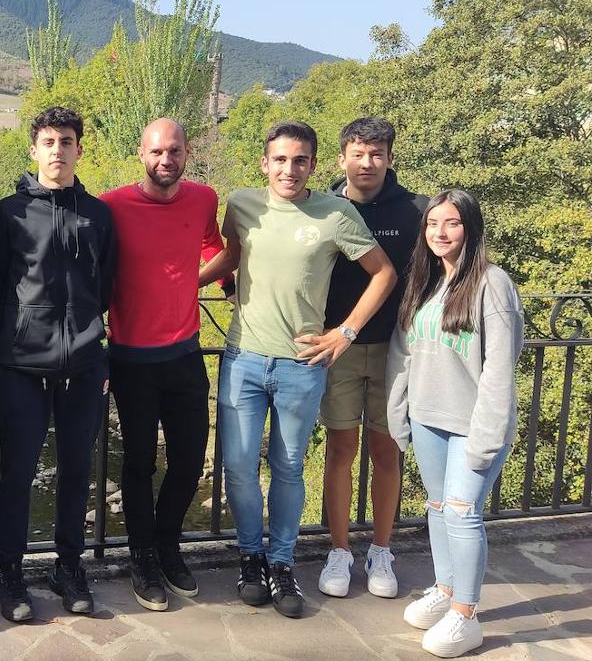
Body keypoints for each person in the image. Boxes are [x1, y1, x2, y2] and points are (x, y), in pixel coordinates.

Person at [201, 120, 396, 618]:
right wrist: (180, 284)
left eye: (300, 160)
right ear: (265, 163)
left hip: (302, 365)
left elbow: (384, 273)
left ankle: (282, 562)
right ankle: (251, 556)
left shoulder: (337, 212)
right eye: (280, 159)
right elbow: (232, 257)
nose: (290, 169)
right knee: (240, 468)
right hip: (243, 358)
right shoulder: (242, 204)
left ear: (313, 164)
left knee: (287, 468)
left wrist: (345, 332)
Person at [0, 106, 116, 622]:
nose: (57, 150)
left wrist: (89, 333)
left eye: (66, 141)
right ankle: (11, 574)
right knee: (18, 473)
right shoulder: (9, 213)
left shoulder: (99, 214)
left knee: (75, 472)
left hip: (83, 362)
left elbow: (106, 284)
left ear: (79, 149)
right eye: (48, 141)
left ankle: (68, 566)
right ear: (34, 149)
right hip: (22, 362)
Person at [100, 118, 233, 611]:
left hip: (185, 354)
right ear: (141, 153)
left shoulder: (203, 198)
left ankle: (167, 545)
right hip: (131, 358)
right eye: (157, 151)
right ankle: (142, 558)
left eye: (174, 151)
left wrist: (219, 282)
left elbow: (210, 244)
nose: (165, 160)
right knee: (138, 464)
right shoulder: (111, 206)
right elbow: (95, 270)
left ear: (187, 152)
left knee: (189, 460)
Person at [387, 190, 522, 658]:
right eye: (432, 225)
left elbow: (499, 369)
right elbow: (404, 354)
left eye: (452, 224)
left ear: (471, 228)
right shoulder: (424, 283)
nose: (440, 233)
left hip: (471, 425)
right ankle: (446, 590)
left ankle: (466, 615)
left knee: (464, 516)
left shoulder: (492, 283)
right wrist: (398, 412)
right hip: (428, 420)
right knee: (440, 509)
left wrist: (487, 437)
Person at [318, 117, 427, 600]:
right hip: (335, 350)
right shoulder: (320, 208)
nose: (367, 162)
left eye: (376, 153)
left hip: (396, 351)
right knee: (340, 450)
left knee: (387, 452)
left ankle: (381, 549)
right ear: (342, 158)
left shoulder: (417, 212)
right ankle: (339, 551)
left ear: (390, 158)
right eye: (358, 153)